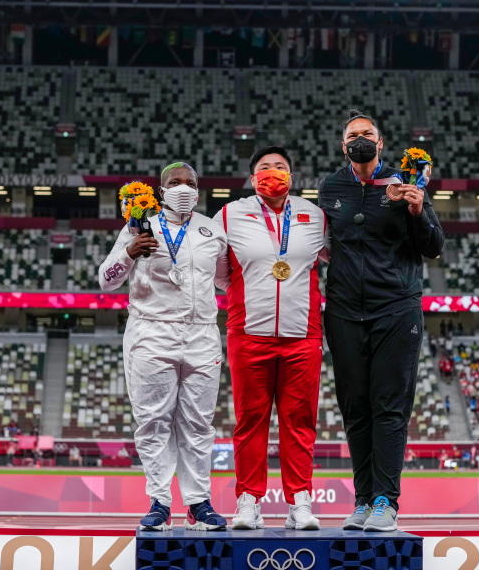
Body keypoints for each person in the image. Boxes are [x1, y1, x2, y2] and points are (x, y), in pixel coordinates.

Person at [318, 109, 443, 531]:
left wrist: (419, 210)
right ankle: (363, 500)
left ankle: (386, 501)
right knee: (356, 410)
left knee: (389, 409)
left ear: (381, 142)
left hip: (396, 310)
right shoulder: (330, 188)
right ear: (342, 145)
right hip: (343, 312)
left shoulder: (405, 183)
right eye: (353, 135)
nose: (360, 140)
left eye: (367, 134)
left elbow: (433, 247)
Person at [99, 161, 230, 532]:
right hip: (151, 332)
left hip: (202, 333)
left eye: (190, 183)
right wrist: (128, 253)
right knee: (153, 421)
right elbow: (106, 279)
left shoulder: (212, 229)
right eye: (175, 182)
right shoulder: (139, 225)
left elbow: (225, 281)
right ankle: (159, 501)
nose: (183, 188)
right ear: (161, 190)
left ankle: (198, 502)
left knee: (198, 423)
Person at [213, 145, 329, 531]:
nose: (273, 172)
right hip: (248, 333)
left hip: (303, 335)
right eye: (265, 167)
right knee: (250, 421)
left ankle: (300, 502)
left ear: (292, 177)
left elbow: (336, 257)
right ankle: (248, 501)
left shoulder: (315, 217)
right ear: (252, 178)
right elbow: (218, 271)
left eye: (281, 167)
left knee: (300, 421)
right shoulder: (229, 214)